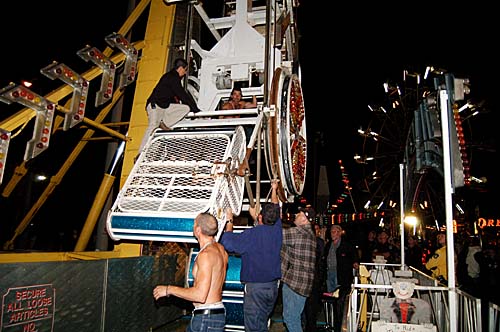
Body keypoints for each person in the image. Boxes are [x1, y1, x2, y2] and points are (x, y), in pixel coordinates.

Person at [220, 179, 282, 332]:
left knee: (254, 328)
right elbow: (276, 207)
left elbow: (227, 242)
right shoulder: (277, 230)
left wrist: (229, 220)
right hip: (272, 287)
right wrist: (274, 189)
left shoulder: (251, 235)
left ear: (260, 218)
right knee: (261, 324)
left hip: (256, 290)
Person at [153, 213, 228, 332]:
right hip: (215, 315)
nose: (192, 226)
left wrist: (168, 289)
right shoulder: (221, 250)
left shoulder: (206, 255)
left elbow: (200, 295)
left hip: (206, 318)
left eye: (194, 224)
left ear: (198, 230)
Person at [138, 57, 203, 155]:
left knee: (185, 108)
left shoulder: (172, 78)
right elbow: (182, 95)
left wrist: (193, 109)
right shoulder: (173, 78)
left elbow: (177, 97)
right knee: (153, 126)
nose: (185, 73)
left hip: (164, 107)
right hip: (155, 105)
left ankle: (164, 123)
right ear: (181, 68)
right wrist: (197, 111)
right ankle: (141, 153)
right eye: (185, 70)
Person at [281, 206, 316, 332]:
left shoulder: (300, 232)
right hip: (302, 285)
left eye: (300, 213)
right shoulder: (309, 234)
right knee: (294, 318)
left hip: (295, 283)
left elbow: (275, 235)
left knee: (290, 319)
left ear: (305, 220)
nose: (296, 214)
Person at [322, 224, 359, 332]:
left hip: (342, 278)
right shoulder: (328, 245)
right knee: (331, 301)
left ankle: (339, 326)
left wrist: (355, 263)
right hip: (330, 276)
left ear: (339, 232)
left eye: (334, 231)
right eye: (331, 231)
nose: (332, 233)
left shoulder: (347, 245)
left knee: (340, 303)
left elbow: (354, 257)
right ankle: (331, 324)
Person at [302, 222, 326, 332]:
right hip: (314, 278)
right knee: (309, 307)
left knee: (309, 307)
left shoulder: (315, 242)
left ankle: (309, 328)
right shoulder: (319, 242)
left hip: (310, 279)